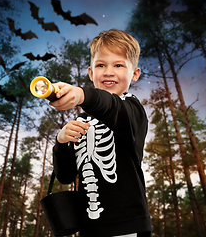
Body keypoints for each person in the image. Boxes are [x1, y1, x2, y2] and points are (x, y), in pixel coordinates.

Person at [50, 29, 152, 237]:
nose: (108, 71)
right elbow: (66, 176)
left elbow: (111, 107)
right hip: (89, 228)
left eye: (118, 65)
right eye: (100, 65)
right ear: (91, 73)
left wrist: (82, 94)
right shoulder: (81, 121)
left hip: (127, 227)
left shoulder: (132, 110)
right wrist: (61, 142)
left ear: (134, 74)